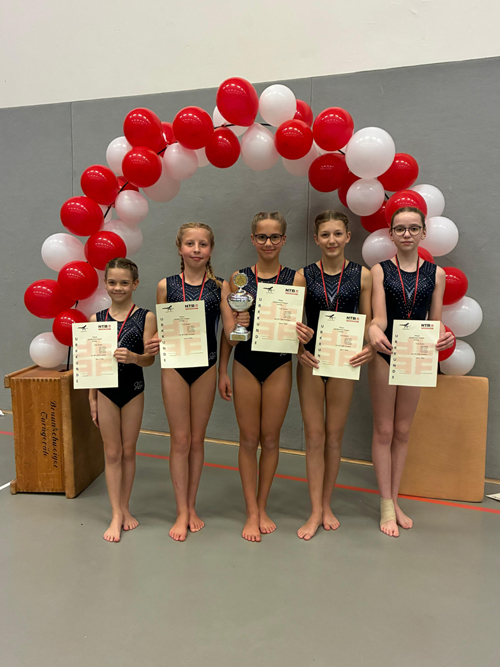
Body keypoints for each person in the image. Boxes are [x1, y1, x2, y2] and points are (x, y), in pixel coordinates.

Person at [218, 211, 312, 542]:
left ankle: (262, 505)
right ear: (253, 239)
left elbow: (298, 328)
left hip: (279, 365)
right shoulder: (237, 279)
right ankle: (250, 511)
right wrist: (223, 367)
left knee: (270, 439)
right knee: (248, 439)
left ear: (283, 240)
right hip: (245, 363)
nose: (268, 243)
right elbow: (230, 337)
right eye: (261, 237)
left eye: (274, 237)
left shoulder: (295, 279)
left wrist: (304, 337)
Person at [145, 223, 242, 542]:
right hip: (175, 367)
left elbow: (229, 334)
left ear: (211, 249)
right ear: (180, 248)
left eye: (202, 244)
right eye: (190, 243)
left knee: (197, 440)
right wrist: (154, 341)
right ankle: (180, 510)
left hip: (206, 366)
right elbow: (159, 329)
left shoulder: (221, 286)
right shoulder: (166, 285)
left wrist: (241, 324)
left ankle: (191, 505)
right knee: (180, 440)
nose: (196, 249)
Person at [368, 206, 455, 537]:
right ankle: (385, 505)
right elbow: (379, 318)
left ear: (423, 233)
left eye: (413, 228)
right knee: (384, 430)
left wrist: (445, 336)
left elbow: (436, 321)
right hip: (386, 353)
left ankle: (395, 499)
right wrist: (372, 330)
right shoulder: (379, 270)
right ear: (390, 234)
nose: (407, 234)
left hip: (416, 356)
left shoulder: (436, 274)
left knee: (403, 430)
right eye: (400, 228)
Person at [296, 210, 374, 540]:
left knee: (333, 436)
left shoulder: (363, 276)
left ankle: (327, 503)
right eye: (325, 234)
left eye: (337, 233)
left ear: (348, 237)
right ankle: (315, 509)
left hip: (345, 361)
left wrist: (370, 346)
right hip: (312, 362)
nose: (332, 240)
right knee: (314, 436)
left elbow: (369, 321)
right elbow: (293, 323)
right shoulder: (303, 276)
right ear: (316, 239)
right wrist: (298, 348)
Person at [89, 257, 157, 543]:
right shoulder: (96, 320)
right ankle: (116, 513)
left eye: (124, 283)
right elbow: (92, 366)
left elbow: (150, 360)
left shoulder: (146, 317)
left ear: (135, 284)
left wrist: (134, 358)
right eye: (113, 282)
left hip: (133, 390)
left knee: (128, 452)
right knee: (112, 453)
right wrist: (92, 399)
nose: (118, 288)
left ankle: (125, 507)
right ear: (105, 284)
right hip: (106, 392)